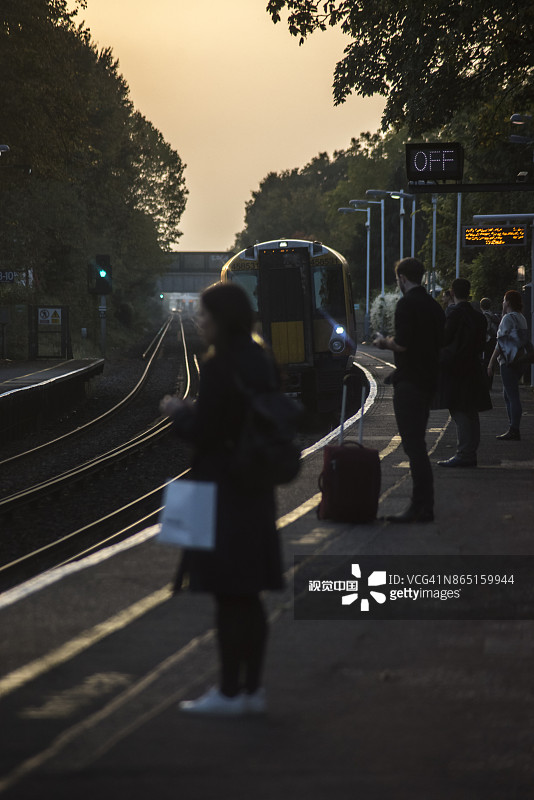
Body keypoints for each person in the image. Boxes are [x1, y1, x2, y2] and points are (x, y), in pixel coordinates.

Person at [159, 282, 284, 716]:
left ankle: (229, 693)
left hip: (223, 493)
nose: (198, 322)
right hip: (256, 490)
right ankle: (252, 690)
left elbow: (205, 432)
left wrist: (178, 412)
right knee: (248, 596)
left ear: (222, 319)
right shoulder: (262, 359)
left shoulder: (218, 367)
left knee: (229, 596)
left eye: (204, 316)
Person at [373, 257, 445, 523]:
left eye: (397, 280)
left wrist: (383, 343)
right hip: (428, 382)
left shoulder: (406, 304)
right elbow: (442, 342)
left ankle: (421, 506)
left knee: (414, 446)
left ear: (402, 278)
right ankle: (423, 505)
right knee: (417, 445)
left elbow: (402, 344)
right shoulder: (435, 307)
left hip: (410, 384)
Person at [436, 279, 492, 468]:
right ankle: (470, 452)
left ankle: (464, 453)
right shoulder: (478, 317)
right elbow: (482, 343)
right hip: (474, 367)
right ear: (469, 293)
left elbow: (444, 339)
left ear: (452, 292)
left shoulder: (454, 314)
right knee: (471, 411)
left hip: (456, 369)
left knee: (459, 410)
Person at [487, 289, 528, 440]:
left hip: (508, 361)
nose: (503, 303)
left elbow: (500, 343)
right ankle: (513, 426)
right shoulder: (521, 317)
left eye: (504, 300)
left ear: (508, 302)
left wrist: (491, 363)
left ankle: (514, 429)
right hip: (520, 360)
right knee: (509, 393)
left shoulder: (507, 319)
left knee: (512, 395)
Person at [480, 297, 500, 388]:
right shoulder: (493, 315)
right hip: (493, 340)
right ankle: (490, 382)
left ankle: (486, 383)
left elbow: (486, 328)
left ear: (481, 306)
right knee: (491, 362)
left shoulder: (484, 316)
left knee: (486, 362)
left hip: (487, 340)